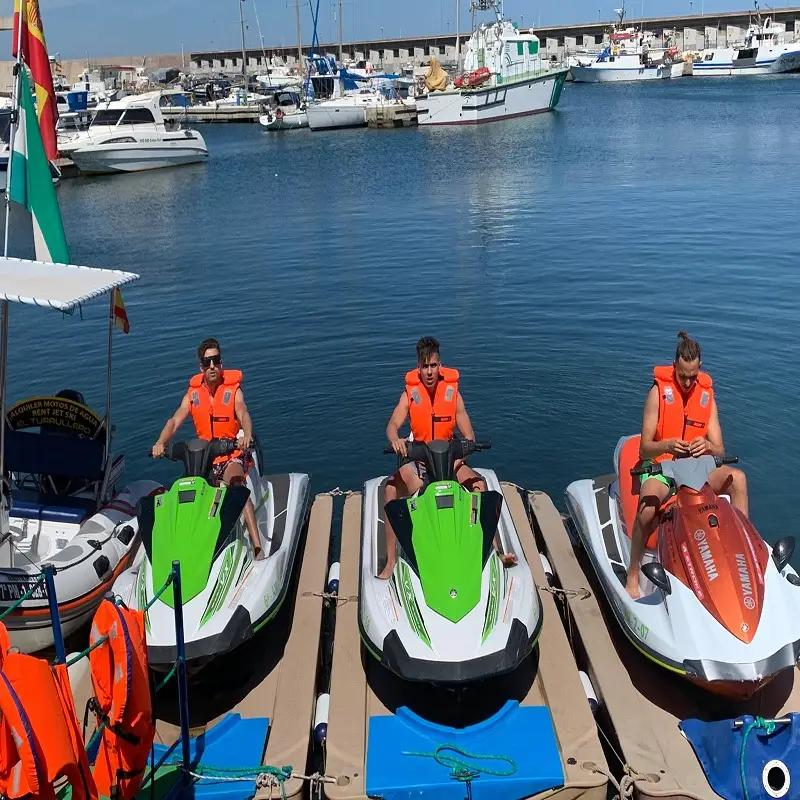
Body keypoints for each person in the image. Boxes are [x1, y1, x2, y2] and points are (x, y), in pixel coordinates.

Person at [379, 336, 517, 579]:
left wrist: (462, 453)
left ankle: (494, 550)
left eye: (433, 366)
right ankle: (391, 562)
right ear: (418, 367)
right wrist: (396, 440)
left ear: (440, 365)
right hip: (420, 461)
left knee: (479, 485)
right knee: (390, 490)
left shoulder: (453, 394)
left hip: (448, 461)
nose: (429, 372)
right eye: (425, 366)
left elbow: (469, 435)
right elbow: (392, 424)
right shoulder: (409, 394)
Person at [626, 331, 749, 598]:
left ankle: (744, 552)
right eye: (682, 375)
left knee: (738, 479)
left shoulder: (706, 395)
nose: (687, 382)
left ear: (699, 369)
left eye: (693, 376)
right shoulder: (658, 393)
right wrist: (668, 445)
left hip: (697, 467)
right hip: (663, 469)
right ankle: (633, 572)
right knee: (647, 507)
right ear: (674, 367)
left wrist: (707, 446)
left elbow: (720, 448)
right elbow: (644, 447)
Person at [151, 338, 263, 559]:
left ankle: (257, 547)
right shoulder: (193, 395)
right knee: (179, 491)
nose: (212, 366)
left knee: (236, 484)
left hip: (231, 453)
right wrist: (160, 443)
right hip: (204, 458)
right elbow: (174, 421)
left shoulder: (233, 391)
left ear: (221, 363)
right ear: (201, 366)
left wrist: (246, 435)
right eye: (207, 362)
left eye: (216, 360)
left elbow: (242, 412)